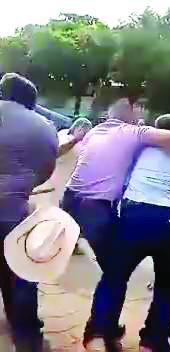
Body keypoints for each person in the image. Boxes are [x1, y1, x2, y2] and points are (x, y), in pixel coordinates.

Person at [62, 98, 170, 271]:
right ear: (131, 113)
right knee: (113, 269)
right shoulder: (132, 132)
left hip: (69, 196)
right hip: (95, 205)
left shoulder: (95, 131)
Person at [0, 73, 59, 351]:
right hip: (15, 209)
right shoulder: (44, 125)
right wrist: (24, 185)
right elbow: (47, 169)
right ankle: (26, 337)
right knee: (20, 270)